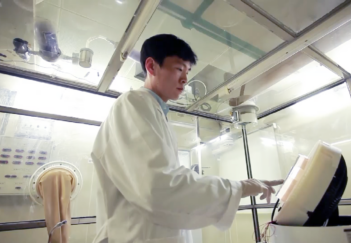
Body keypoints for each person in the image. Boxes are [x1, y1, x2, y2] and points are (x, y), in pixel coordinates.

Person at [91, 34, 283, 243]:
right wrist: (240, 188)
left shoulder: (156, 112)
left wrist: (240, 187)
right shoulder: (133, 103)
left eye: (187, 71)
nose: (185, 79)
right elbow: (160, 188)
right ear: (151, 66)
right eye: (179, 69)